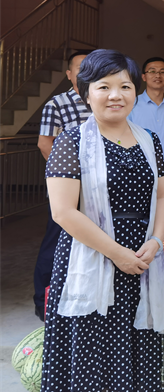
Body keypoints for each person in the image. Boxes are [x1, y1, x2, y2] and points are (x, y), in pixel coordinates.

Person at [40, 49, 164, 392]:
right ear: (85, 93)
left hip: (141, 261)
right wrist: (118, 255)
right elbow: (63, 212)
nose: (116, 95)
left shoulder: (150, 140)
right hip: (94, 258)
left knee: (134, 353)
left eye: (125, 86)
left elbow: (161, 197)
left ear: (135, 91)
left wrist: (156, 240)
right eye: (104, 86)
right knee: (91, 354)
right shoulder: (71, 141)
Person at [34, 50, 91, 321]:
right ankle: (41, 300)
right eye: (80, 68)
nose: (85, 72)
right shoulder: (56, 104)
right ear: (69, 74)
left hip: (97, 189)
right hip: (68, 188)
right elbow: (45, 144)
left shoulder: (100, 100)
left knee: (89, 241)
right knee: (57, 239)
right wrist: (68, 178)